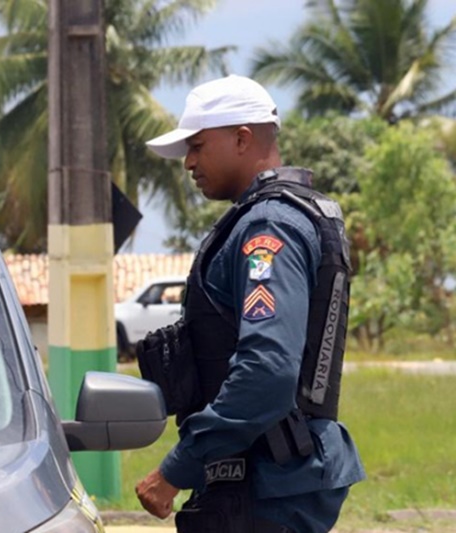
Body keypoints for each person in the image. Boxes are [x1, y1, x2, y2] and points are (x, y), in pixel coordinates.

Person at [134, 75, 365, 533]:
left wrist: (177, 468)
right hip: (266, 482)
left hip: (263, 487)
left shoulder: (268, 229)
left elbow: (267, 372)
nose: (189, 163)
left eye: (198, 146)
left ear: (242, 138)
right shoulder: (276, 218)